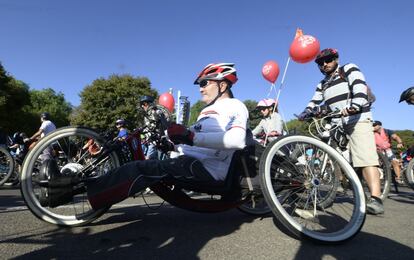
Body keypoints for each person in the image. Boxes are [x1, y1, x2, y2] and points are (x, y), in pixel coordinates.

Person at [40, 62, 248, 210]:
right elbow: (195, 142)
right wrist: (171, 145)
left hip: (207, 171)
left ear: (222, 85)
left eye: (205, 83)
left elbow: (237, 140)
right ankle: (66, 185)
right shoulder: (206, 112)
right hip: (191, 161)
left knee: (140, 169)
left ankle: (63, 191)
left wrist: (190, 137)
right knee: (136, 166)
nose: (200, 88)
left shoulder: (235, 106)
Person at [298, 48, 384, 215]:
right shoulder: (322, 83)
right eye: (320, 63)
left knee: (365, 158)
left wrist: (356, 105)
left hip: (357, 118)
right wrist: (306, 112)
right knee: (336, 156)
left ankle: (376, 199)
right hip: (337, 122)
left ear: (336, 59)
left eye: (328, 60)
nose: (324, 64)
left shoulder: (348, 69)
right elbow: (314, 100)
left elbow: (359, 86)